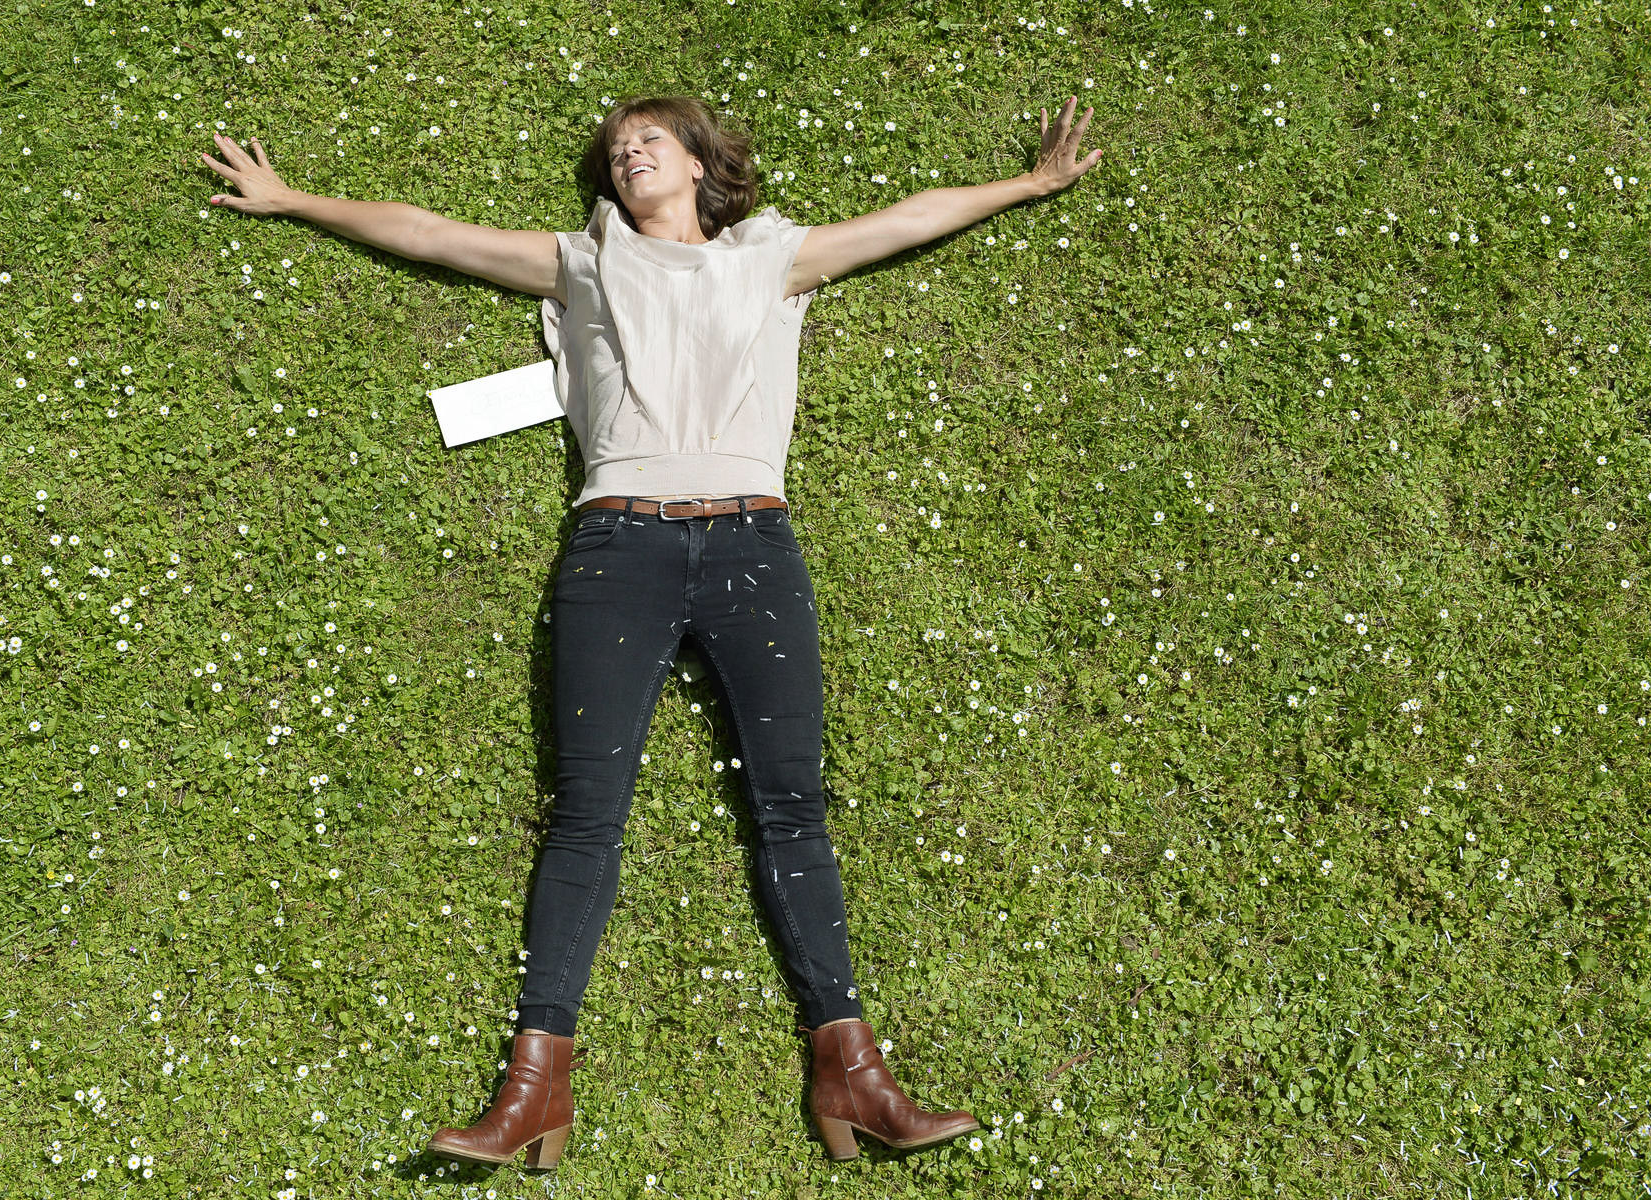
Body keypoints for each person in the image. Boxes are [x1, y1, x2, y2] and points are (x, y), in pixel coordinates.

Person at [200, 92, 1101, 1168]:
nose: (630, 152)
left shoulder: (767, 259)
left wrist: (1029, 184)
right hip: (616, 546)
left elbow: (905, 220)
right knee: (585, 815)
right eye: (618, 148)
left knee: (793, 808)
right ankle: (532, 1092)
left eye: (651, 139)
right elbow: (431, 233)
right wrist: (293, 199)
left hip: (754, 544)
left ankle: (855, 1076)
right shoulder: (583, 263)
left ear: (700, 162)